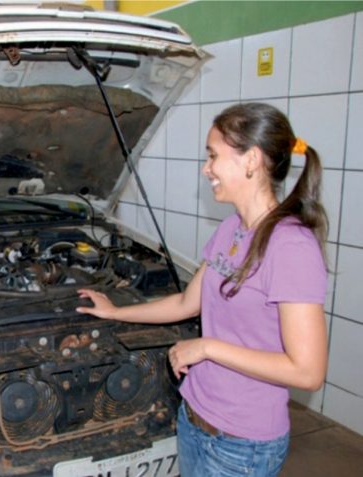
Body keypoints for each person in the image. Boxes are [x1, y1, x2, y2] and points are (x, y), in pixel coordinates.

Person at [77, 102, 328, 477]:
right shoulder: (231, 230)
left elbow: (307, 372)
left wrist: (208, 347)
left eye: (213, 156)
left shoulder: (291, 246)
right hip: (194, 418)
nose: (206, 168)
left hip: (242, 444)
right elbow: (185, 302)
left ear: (251, 160)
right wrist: (115, 311)